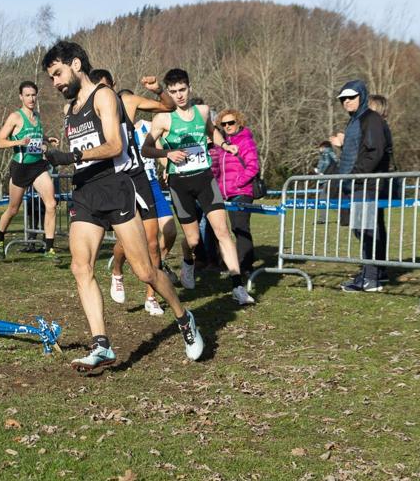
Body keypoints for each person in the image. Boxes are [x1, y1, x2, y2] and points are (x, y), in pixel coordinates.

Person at [41, 40, 203, 371]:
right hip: (86, 190)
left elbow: (115, 145)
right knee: (80, 266)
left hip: (115, 187)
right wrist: (61, 156)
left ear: (75, 64)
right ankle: (101, 344)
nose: (56, 83)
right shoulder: (69, 111)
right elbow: (83, 149)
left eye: (57, 74)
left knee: (144, 270)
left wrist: (72, 156)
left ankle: (184, 319)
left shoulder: (103, 95)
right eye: (51, 78)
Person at [141, 68, 255, 305]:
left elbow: (213, 133)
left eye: (182, 90)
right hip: (180, 184)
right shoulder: (163, 119)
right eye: (173, 92)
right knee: (193, 241)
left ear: (189, 88)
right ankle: (187, 261)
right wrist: (167, 153)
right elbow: (146, 149)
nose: (179, 96)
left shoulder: (202, 112)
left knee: (222, 231)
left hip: (204, 179)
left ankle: (237, 287)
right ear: (169, 93)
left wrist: (225, 146)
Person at [92, 74, 178, 316]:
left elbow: (168, 107)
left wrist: (158, 89)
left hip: (140, 178)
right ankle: (117, 271)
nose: (103, 94)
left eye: (106, 87)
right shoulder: (91, 112)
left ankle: (152, 296)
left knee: (153, 241)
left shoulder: (127, 102)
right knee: (126, 242)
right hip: (117, 181)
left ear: (113, 86)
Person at [333, 80, 393, 292]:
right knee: (365, 229)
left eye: (351, 97)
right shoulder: (356, 120)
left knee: (367, 229)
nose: (347, 101)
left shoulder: (371, 119)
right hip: (358, 184)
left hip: (366, 184)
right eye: (343, 98)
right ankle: (377, 272)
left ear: (361, 96)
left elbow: (374, 152)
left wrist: (356, 175)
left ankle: (371, 278)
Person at [0, 81, 60, 261]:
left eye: (33, 95)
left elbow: (35, 138)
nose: (31, 98)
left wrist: (47, 139)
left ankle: (49, 248)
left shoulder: (37, 116)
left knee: (51, 204)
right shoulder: (15, 117)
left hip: (38, 166)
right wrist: (17, 142)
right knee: (13, 209)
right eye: (27, 95)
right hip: (21, 167)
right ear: (21, 97)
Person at [210, 109, 261, 278]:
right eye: (223, 124)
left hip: (242, 191)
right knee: (227, 229)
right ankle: (231, 263)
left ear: (238, 122)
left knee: (240, 228)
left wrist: (238, 182)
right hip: (226, 194)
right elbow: (218, 169)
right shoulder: (223, 143)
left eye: (231, 123)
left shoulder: (245, 141)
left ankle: (245, 265)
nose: (227, 126)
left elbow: (253, 167)